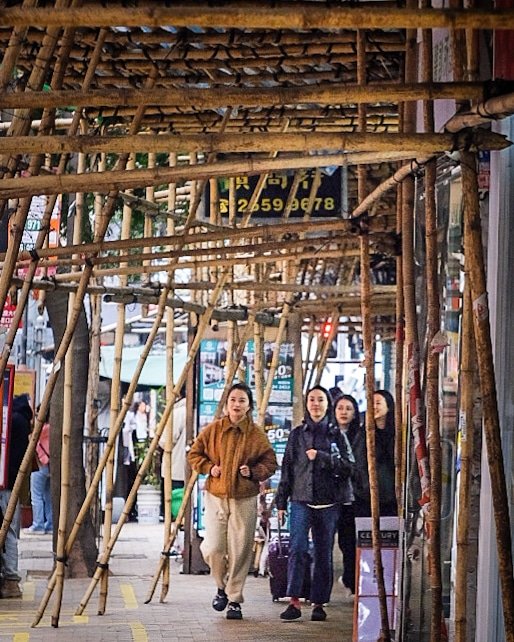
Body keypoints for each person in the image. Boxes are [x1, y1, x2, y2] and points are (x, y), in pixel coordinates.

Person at [187, 383, 277, 621]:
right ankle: (221, 585)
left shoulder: (256, 434)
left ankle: (234, 599)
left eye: (242, 401)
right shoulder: (213, 430)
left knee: (240, 549)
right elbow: (194, 454)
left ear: (249, 406)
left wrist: (254, 472)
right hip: (216, 496)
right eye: (233, 400)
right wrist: (209, 467)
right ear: (226, 404)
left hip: (244, 498)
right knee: (213, 547)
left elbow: (270, 463)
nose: (237, 405)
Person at [275, 385, 354, 622]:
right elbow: (287, 469)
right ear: (307, 404)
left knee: (323, 554)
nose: (316, 404)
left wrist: (322, 458)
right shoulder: (297, 434)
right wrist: (281, 502)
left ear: (327, 404)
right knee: (297, 549)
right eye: (312, 399)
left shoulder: (336, 435)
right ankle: (294, 601)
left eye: (320, 399)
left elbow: (349, 466)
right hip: (300, 500)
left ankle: (319, 602)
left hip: (329, 503)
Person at [0, 394, 31, 599]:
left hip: (6, 483)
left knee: (8, 532)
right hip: (12, 483)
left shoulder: (12, 421)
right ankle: (10, 579)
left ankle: (11, 579)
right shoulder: (22, 422)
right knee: (9, 531)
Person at [352, 389, 397, 518]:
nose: (374, 407)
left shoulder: (397, 435)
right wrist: (363, 486)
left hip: (392, 495)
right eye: (371, 403)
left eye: (378, 403)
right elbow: (357, 463)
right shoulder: (363, 434)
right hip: (365, 496)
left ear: (388, 406)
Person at [333, 394, 360, 597]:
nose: (343, 412)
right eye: (340, 408)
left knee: (348, 541)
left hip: (352, 497)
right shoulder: (328, 433)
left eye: (348, 408)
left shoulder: (360, 435)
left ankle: (352, 579)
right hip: (328, 496)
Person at [24, 408, 52, 535]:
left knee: (36, 496)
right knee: (48, 496)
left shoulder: (41, 429)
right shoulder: (54, 428)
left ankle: (38, 524)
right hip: (51, 465)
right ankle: (50, 524)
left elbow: (32, 440)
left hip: (40, 462)